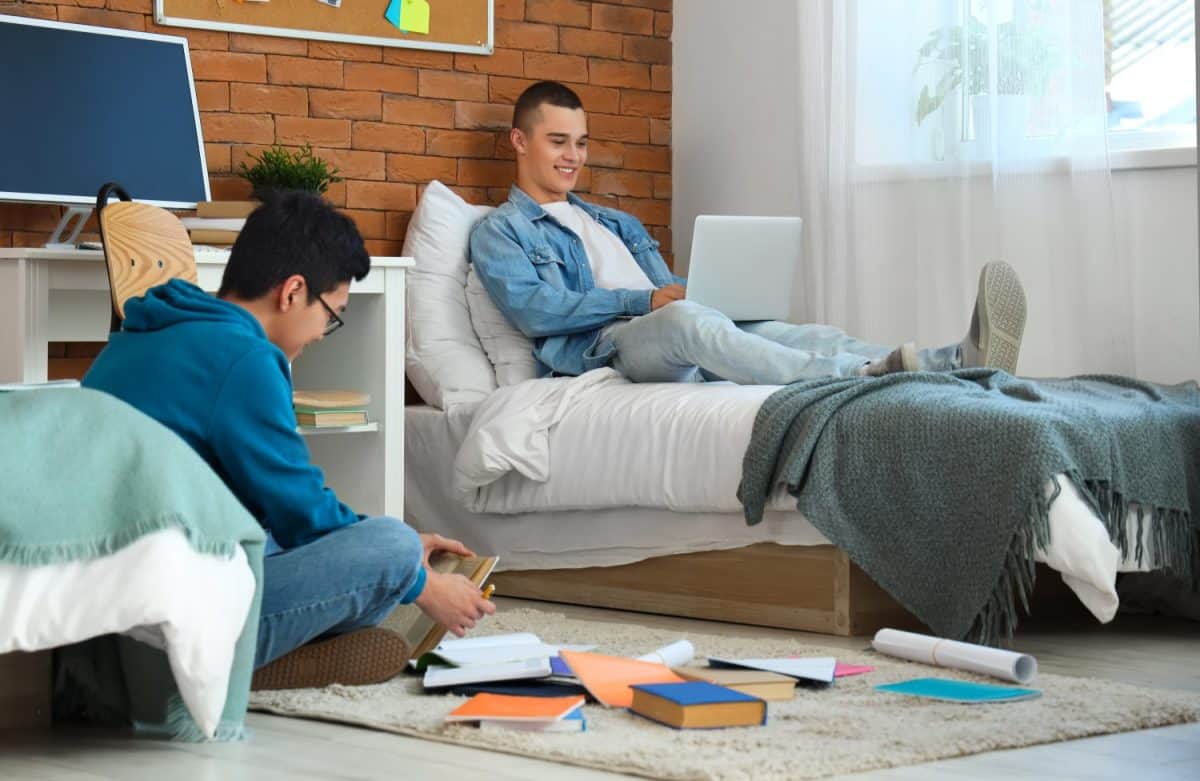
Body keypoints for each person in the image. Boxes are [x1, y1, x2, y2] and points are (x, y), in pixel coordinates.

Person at [83, 191, 494, 689]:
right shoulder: (244, 359)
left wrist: (371, 540)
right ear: (293, 291)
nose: (323, 332)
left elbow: (273, 511)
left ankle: (267, 658)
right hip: (165, 632)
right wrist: (420, 578)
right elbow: (301, 511)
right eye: (331, 313)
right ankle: (233, 669)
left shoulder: (150, 328)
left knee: (375, 543)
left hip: (101, 611)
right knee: (391, 546)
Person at [468, 81, 1026, 384]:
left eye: (582, 142)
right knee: (688, 319)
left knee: (790, 329)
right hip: (607, 347)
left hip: (671, 321)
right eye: (558, 141)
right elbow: (538, 311)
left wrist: (719, 293)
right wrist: (647, 299)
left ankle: (949, 363)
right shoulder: (501, 230)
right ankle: (855, 379)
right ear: (520, 142)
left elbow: (674, 291)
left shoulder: (613, 221)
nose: (574, 156)